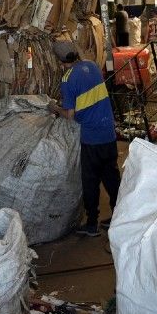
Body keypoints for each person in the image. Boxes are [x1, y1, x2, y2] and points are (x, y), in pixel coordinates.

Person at [48, 40, 120, 236]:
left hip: (91, 138)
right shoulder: (92, 66)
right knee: (112, 178)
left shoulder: (67, 79)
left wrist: (55, 108)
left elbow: (70, 115)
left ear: (59, 60)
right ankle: (119, 217)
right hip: (109, 133)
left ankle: (91, 224)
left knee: (90, 181)